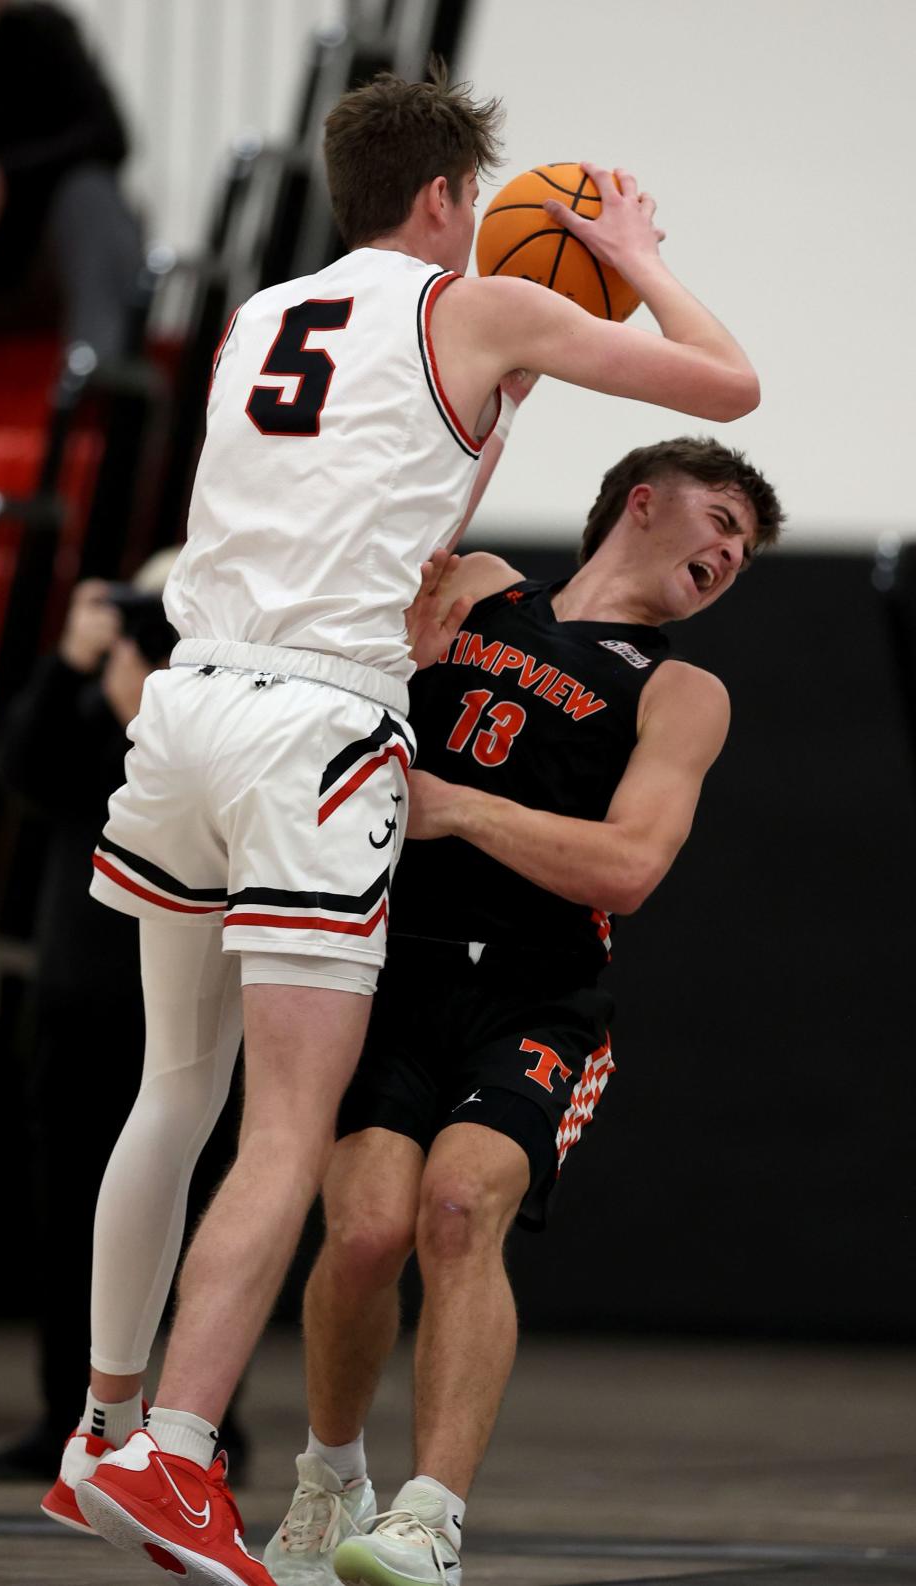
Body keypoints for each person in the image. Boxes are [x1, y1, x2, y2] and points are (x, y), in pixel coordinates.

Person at [45, 61, 760, 1586]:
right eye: (481, 210)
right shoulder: (477, 307)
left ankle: (97, 1427)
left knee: (177, 1086)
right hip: (312, 720)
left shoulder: (257, 316)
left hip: (186, 700)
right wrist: (624, 255)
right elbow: (727, 387)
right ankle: (174, 1454)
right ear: (443, 201)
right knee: (290, 1130)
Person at [264, 436, 784, 1586]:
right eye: (723, 518)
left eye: (747, 546)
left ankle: (431, 1516)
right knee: (360, 1230)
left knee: (458, 1204)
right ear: (641, 502)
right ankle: (327, 1477)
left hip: (539, 988)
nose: (733, 550)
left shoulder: (683, 691)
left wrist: (466, 811)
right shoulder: (482, 584)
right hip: (397, 962)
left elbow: (632, 864)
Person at [0, 562, 249, 1487]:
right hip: (79, 994)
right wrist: (73, 668)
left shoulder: (231, 716)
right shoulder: (89, 701)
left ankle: (200, 1416)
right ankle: (71, 1414)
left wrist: (157, 714)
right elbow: (23, 772)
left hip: (197, 996)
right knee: (69, 1214)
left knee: (203, 1207)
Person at [0, 0, 142, 359]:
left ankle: (97, 375)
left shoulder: (42, 36)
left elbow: (108, 135)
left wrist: (1, 177)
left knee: (91, 194)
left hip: (33, 261)